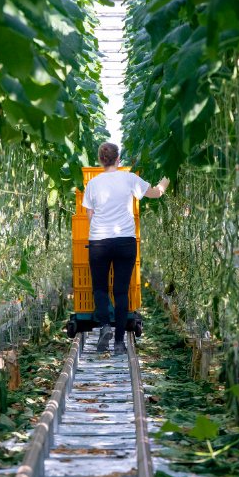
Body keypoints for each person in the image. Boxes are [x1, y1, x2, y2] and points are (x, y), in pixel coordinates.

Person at [82, 142, 170, 354]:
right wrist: (167, 177)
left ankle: (104, 326)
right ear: (118, 159)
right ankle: (120, 342)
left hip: (99, 242)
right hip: (125, 241)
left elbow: (89, 214)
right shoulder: (129, 178)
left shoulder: (93, 184)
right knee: (121, 291)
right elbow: (156, 193)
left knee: (100, 288)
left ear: (101, 160)